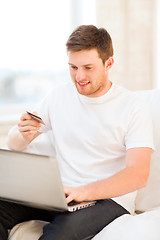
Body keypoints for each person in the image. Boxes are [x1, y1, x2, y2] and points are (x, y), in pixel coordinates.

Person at [2, 25, 154, 240]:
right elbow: (14, 145)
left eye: (88, 67)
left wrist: (86, 192)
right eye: (73, 67)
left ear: (108, 63)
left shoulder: (133, 107)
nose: (79, 76)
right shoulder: (59, 96)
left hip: (108, 200)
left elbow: (138, 174)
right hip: (60, 194)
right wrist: (22, 134)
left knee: (59, 235)